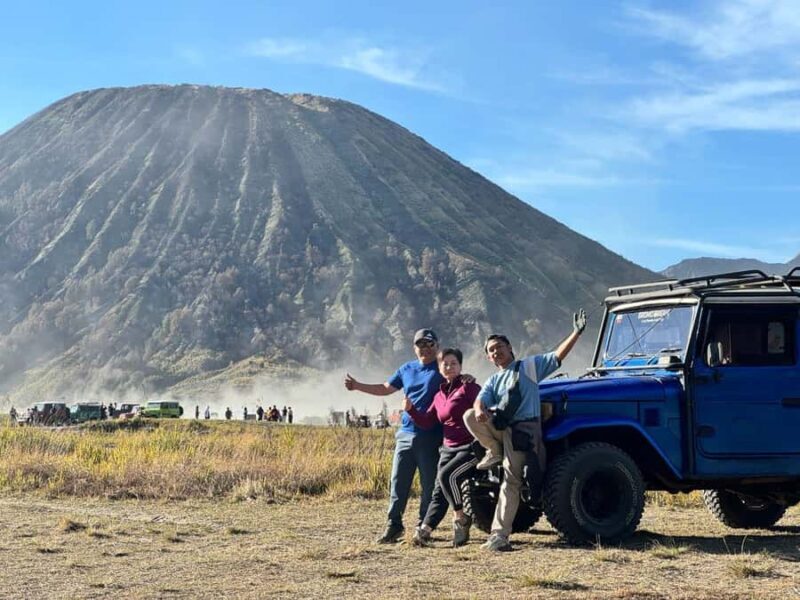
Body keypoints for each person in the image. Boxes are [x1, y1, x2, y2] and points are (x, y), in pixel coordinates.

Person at [464, 309, 587, 552]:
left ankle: (499, 536)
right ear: (488, 358)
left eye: (499, 346)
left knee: (511, 480)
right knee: (469, 415)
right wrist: (480, 409)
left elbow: (557, 357)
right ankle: (494, 450)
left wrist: (576, 333)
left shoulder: (529, 367)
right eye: (491, 350)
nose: (496, 352)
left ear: (510, 348)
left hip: (524, 430)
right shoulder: (492, 380)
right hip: (502, 427)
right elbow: (480, 400)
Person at [345, 328, 444, 544]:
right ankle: (394, 525)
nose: (425, 348)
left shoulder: (442, 368)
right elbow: (385, 388)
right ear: (414, 347)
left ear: (437, 346)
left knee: (429, 484)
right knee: (398, 482)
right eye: (421, 344)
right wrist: (357, 386)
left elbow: (457, 380)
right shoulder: (406, 368)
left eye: (430, 344)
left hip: (430, 435)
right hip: (406, 434)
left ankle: (422, 527)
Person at [404, 348, 481, 547]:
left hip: (470, 447)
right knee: (440, 490)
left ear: (460, 366)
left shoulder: (469, 387)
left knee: (447, 476)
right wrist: (411, 410)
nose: (449, 367)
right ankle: (425, 530)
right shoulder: (439, 395)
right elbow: (428, 421)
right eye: (445, 364)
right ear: (439, 368)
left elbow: (484, 411)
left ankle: (461, 519)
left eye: (453, 363)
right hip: (448, 448)